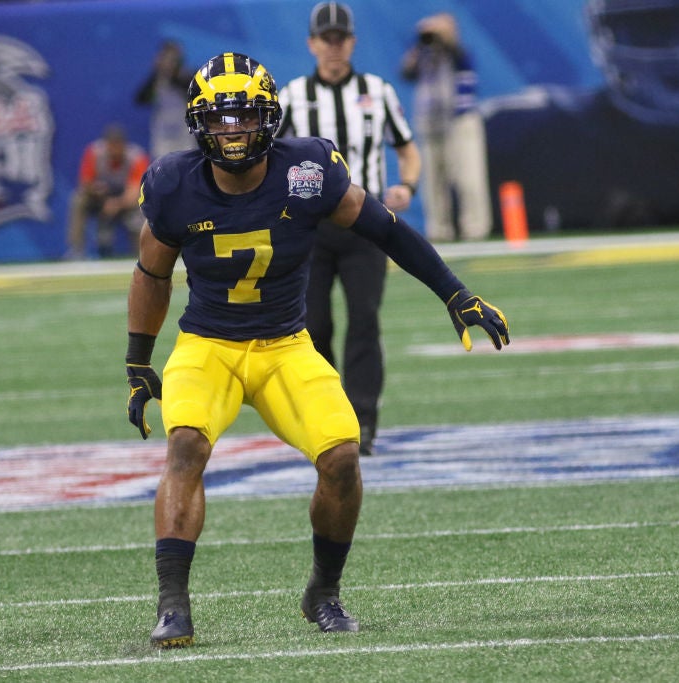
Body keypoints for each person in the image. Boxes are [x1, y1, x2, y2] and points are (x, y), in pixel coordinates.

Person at [126, 51, 509, 649]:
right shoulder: (173, 184)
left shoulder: (305, 168)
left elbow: (383, 227)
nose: (233, 131)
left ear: (269, 117)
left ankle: (323, 592)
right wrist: (137, 359)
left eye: (245, 116)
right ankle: (172, 604)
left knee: (342, 459)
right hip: (208, 344)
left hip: (285, 344)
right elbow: (150, 274)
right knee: (185, 447)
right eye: (220, 119)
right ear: (199, 123)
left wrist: (455, 294)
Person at [276, 1, 422, 455]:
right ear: (312, 44)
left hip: (366, 225)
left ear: (352, 43)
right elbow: (267, 159)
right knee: (314, 327)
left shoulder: (377, 91)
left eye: (341, 39)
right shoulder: (292, 96)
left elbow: (407, 147)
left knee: (364, 321)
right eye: (326, 39)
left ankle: (363, 423)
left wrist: (408, 186)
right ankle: (326, 420)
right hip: (311, 229)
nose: (334, 47)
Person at [401, 12, 492, 242]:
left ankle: (475, 228)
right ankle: (439, 230)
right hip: (430, 124)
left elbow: (459, 55)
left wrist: (445, 35)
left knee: (468, 177)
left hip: (460, 121)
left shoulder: (459, 53)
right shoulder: (424, 55)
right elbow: (406, 73)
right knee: (433, 181)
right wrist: (420, 42)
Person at [65, 123, 149, 259]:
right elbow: (85, 182)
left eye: (118, 145)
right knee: (78, 199)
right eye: (111, 145)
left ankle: (142, 254)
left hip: (125, 201)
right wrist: (96, 190)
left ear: (124, 145)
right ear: (106, 144)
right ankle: (76, 250)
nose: (114, 150)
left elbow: (136, 191)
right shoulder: (95, 153)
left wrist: (116, 203)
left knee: (143, 207)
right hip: (100, 198)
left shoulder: (136, 157)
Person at [134, 40, 196, 160]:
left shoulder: (188, 76)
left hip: (184, 132)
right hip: (163, 134)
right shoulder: (157, 80)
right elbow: (140, 99)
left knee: (186, 164)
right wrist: (155, 73)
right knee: (162, 167)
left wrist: (172, 74)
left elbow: (192, 93)